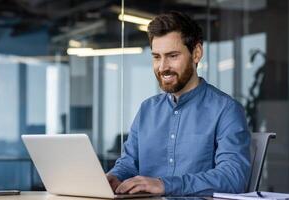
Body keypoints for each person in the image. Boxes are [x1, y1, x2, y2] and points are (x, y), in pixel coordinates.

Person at [107, 11, 251, 196]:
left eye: (172, 56)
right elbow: (129, 164)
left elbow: (233, 177)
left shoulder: (226, 109)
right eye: (157, 57)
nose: (162, 67)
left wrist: (164, 185)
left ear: (196, 53)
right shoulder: (147, 109)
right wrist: (113, 177)